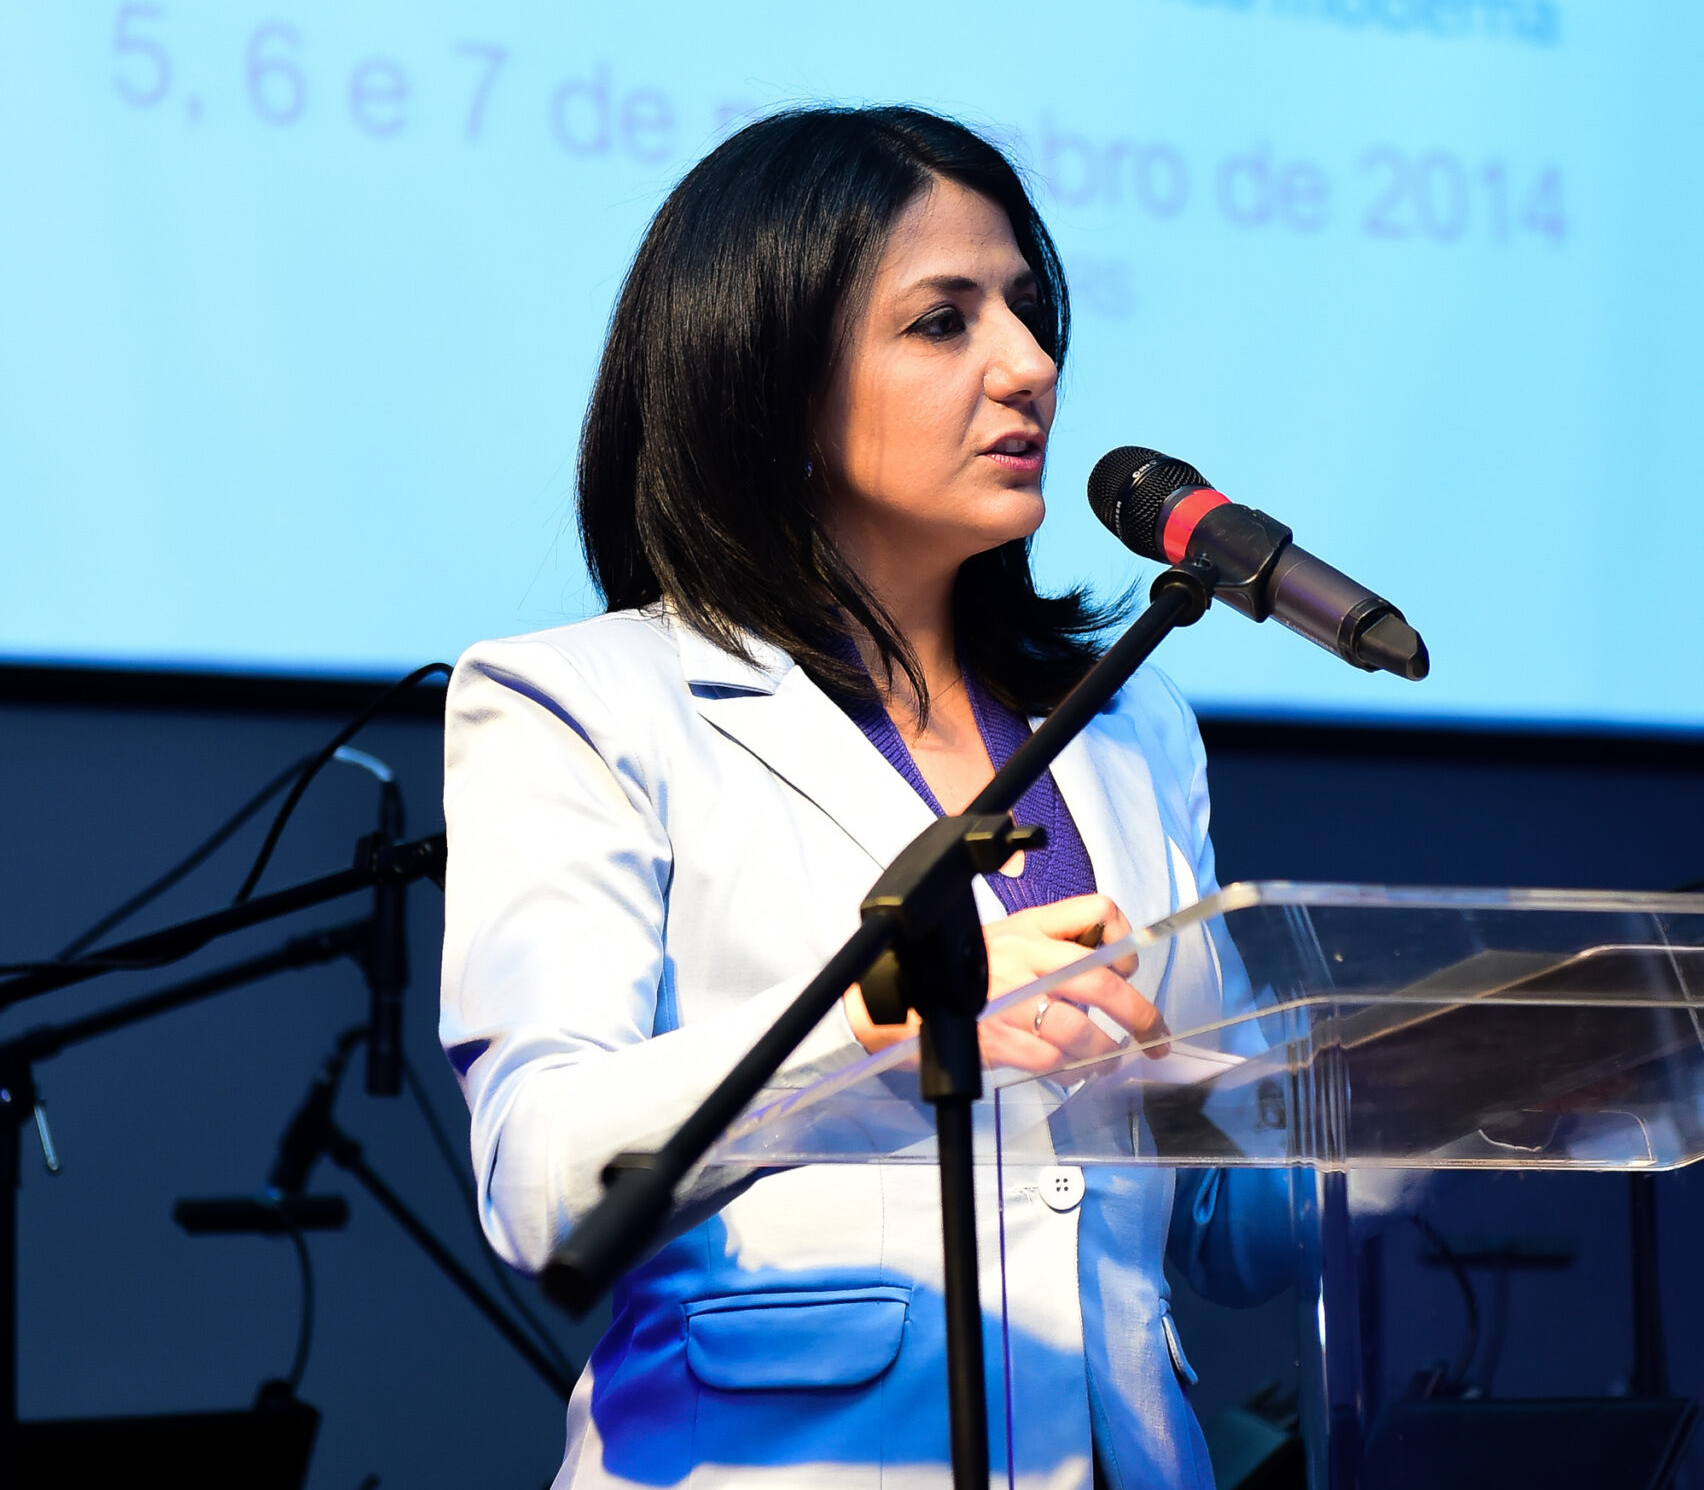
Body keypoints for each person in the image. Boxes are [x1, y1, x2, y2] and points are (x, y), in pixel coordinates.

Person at [440, 105, 1288, 1490]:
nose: (1029, 365)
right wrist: (885, 1015)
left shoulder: (1133, 723)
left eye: (1026, 308)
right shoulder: (582, 706)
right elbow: (542, 1179)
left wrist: (1453, 1104)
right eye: (943, 322)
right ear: (767, 381)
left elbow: (1230, 1236)